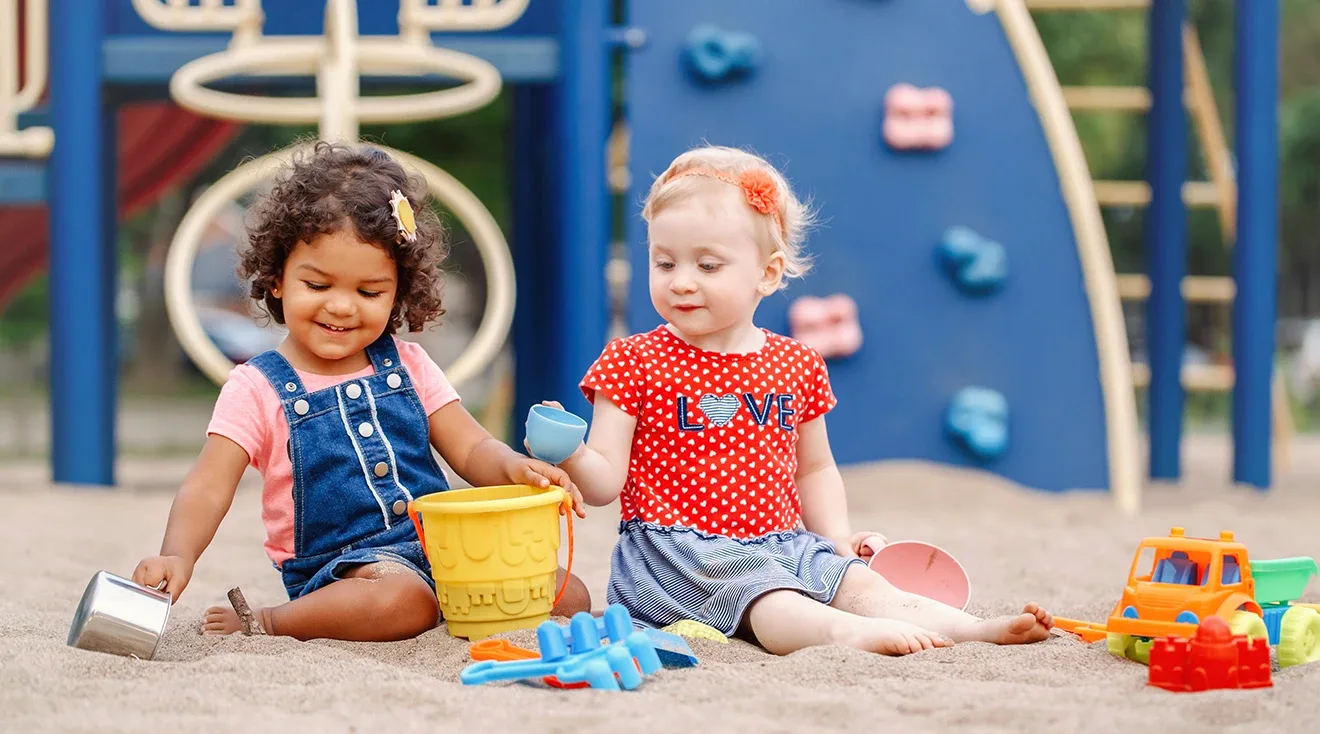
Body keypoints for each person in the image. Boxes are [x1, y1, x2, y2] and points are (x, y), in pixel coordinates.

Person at [545, 145, 1053, 656]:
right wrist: (570, 451)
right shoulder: (634, 360)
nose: (682, 281)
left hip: (785, 543)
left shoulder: (797, 363)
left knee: (860, 583)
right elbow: (607, 482)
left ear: (767, 273)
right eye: (664, 262)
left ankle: (970, 628)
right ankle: (843, 634)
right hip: (678, 557)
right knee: (772, 600)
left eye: (708, 265)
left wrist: (835, 538)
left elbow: (814, 468)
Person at [133, 140, 589, 642]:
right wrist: (178, 553)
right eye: (318, 285)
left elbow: (470, 445)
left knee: (568, 593)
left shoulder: (409, 365)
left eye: (368, 292)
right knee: (399, 601)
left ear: (399, 290)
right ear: (279, 277)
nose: (343, 307)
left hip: (443, 548)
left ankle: (450, 603)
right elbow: (208, 484)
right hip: (346, 572)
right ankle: (269, 621)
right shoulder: (257, 386)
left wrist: (511, 468)